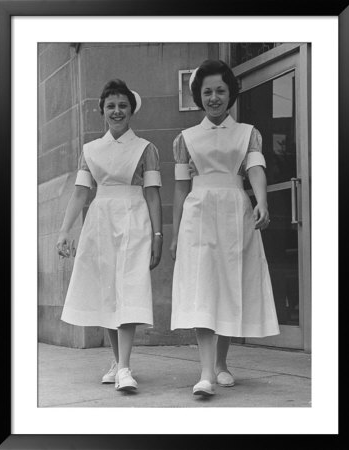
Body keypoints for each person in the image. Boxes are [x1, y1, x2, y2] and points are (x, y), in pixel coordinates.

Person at [170, 60, 279, 397]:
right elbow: (179, 189)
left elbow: (256, 169)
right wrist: (174, 234)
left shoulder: (247, 133)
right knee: (203, 286)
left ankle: (221, 364)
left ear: (230, 94)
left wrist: (261, 200)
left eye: (220, 91)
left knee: (230, 285)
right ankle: (204, 372)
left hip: (235, 212)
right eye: (207, 92)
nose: (214, 97)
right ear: (199, 97)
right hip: (198, 214)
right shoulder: (186, 138)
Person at [57, 79, 163, 392]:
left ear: (132, 110)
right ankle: (117, 362)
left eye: (122, 106)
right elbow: (79, 194)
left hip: (134, 219)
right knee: (108, 291)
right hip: (100, 221)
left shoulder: (146, 149)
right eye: (111, 106)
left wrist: (158, 234)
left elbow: (154, 195)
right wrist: (64, 231)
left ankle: (126, 367)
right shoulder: (90, 151)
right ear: (102, 111)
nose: (116, 111)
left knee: (129, 288)